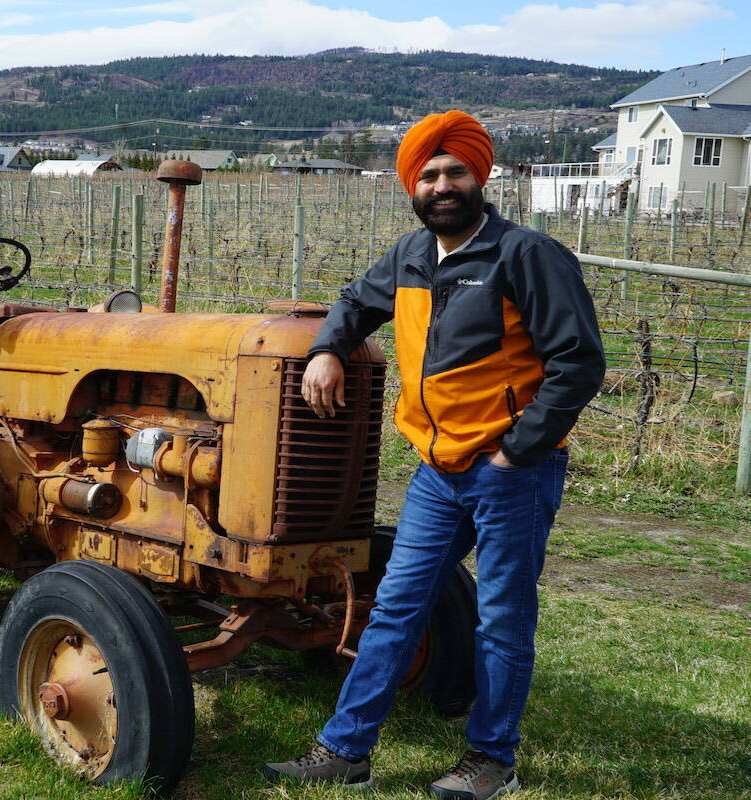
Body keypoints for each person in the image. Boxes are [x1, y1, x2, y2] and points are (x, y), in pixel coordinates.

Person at [263, 110, 606, 799]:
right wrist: (329, 348)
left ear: (479, 177)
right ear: (411, 187)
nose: (442, 184)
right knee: (395, 606)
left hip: (511, 471)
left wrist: (518, 450)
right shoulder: (411, 256)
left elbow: (579, 362)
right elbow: (355, 302)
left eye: (455, 172)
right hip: (437, 470)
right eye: (429, 175)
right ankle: (346, 751)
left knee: (502, 616)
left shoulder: (524, 255)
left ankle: (491, 760)